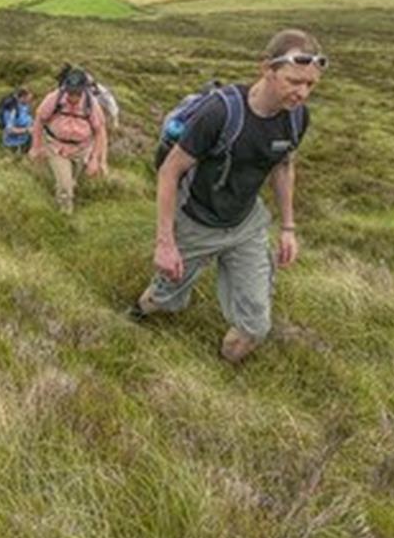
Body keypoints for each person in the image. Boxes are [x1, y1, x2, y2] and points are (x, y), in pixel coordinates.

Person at [131, 29, 324, 363]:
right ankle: (137, 314)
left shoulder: (296, 119)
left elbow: (283, 165)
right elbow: (169, 172)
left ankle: (222, 376)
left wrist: (288, 227)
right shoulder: (220, 114)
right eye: (294, 81)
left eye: (310, 85)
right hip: (196, 219)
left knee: (256, 326)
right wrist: (165, 242)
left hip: (245, 223)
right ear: (267, 69)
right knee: (166, 299)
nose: (302, 93)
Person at [30, 67, 109, 214]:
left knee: (72, 182)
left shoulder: (91, 104)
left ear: (84, 90)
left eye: (77, 93)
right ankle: (65, 216)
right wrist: (36, 147)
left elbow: (100, 131)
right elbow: (39, 120)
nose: (72, 97)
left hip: (81, 150)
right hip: (57, 147)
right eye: (70, 92)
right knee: (66, 186)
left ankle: (63, 194)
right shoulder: (54, 98)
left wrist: (96, 159)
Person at [0, 87, 34, 154]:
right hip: (14, 145)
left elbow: (26, 119)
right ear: (23, 97)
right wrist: (27, 130)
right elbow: (9, 130)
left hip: (25, 141)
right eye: (29, 98)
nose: (30, 101)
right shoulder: (12, 110)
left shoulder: (24, 106)